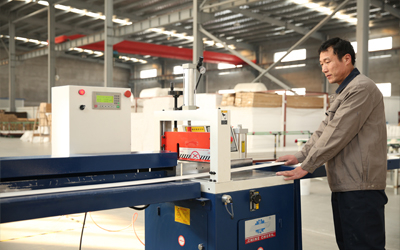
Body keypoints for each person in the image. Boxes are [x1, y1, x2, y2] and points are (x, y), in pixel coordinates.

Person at [276, 37, 388, 250]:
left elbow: (337, 133)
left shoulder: (361, 88)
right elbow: (324, 131)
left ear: (347, 59)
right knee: (347, 245)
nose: (324, 69)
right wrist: (300, 156)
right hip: (346, 185)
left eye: (328, 61)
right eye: (321, 64)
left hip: (361, 188)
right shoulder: (343, 92)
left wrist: (307, 167)